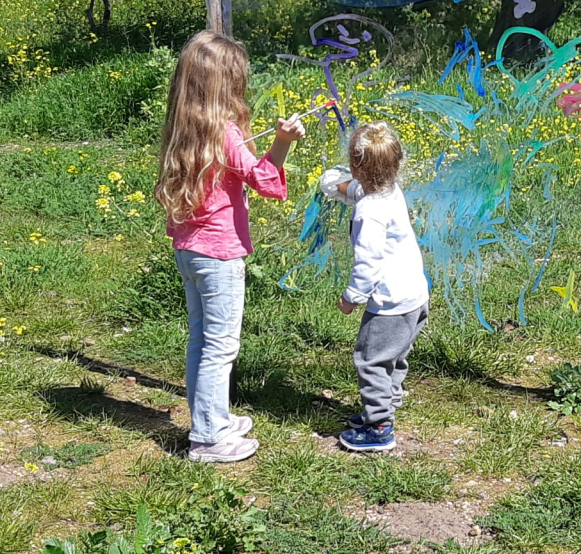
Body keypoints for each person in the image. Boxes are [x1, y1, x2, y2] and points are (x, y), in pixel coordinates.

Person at [155, 30, 305, 463]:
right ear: (226, 84)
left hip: (189, 250)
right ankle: (209, 438)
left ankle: (210, 416)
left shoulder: (184, 126)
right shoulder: (226, 133)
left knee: (201, 340)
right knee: (221, 346)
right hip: (219, 254)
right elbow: (264, 181)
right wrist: (282, 142)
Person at [328, 122, 430, 452]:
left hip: (390, 303)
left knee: (371, 360)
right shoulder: (391, 191)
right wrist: (338, 187)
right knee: (395, 357)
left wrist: (351, 298)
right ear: (396, 164)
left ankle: (378, 427)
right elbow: (364, 190)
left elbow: (367, 263)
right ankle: (387, 403)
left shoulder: (368, 213)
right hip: (415, 296)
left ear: (355, 166)